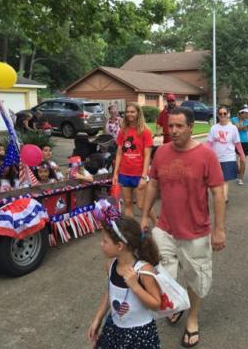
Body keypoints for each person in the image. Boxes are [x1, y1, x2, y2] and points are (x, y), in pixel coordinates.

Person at [140, 106, 226, 348]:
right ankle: (176, 304)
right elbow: (154, 185)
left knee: (195, 277)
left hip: (196, 231)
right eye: (171, 126)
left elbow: (218, 193)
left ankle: (193, 319)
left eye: (179, 126)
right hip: (165, 228)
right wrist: (145, 215)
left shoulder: (206, 155)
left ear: (190, 127)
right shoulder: (162, 153)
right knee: (164, 274)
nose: (174, 131)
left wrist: (219, 230)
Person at [88, 215, 161, 349]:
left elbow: (156, 304)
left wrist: (135, 286)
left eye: (105, 241)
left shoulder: (144, 271)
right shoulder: (110, 265)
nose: (101, 244)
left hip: (139, 334)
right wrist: (98, 318)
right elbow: (111, 292)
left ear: (120, 246)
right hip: (115, 327)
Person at [112, 102, 157, 224]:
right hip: (125, 173)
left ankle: (158, 224)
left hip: (139, 174)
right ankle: (131, 231)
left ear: (138, 113)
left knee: (142, 205)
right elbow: (119, 153)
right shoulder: (123, 131)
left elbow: (148, 156)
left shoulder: (145, 132)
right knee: (127, 203)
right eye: (127, 112)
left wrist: (144, 176)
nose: (129, 114)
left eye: (132, 112)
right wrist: (115, 174)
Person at [207, 106, 245, 202]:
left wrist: (242, 155)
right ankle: (221, 195)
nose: (222, 115)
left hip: (229, 157)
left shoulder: (233, 128)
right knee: (217, 179)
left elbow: (237, 143)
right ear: (218, 115)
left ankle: (224, 198)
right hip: (216, 158)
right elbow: (209, 144)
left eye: (224, 113)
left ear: (228, 114)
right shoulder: (214, 128)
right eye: (220, 113)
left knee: (224, 179)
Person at [231, 107, 248, 185]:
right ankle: (237, 171)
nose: (247, 115)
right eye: (246, 113)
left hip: (244, 143)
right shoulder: (234, 120)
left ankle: (241, 178)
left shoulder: (247, 121)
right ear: (241, 113)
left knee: (243, 161)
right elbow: (238, 129)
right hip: (235, 142)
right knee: (234, 160)